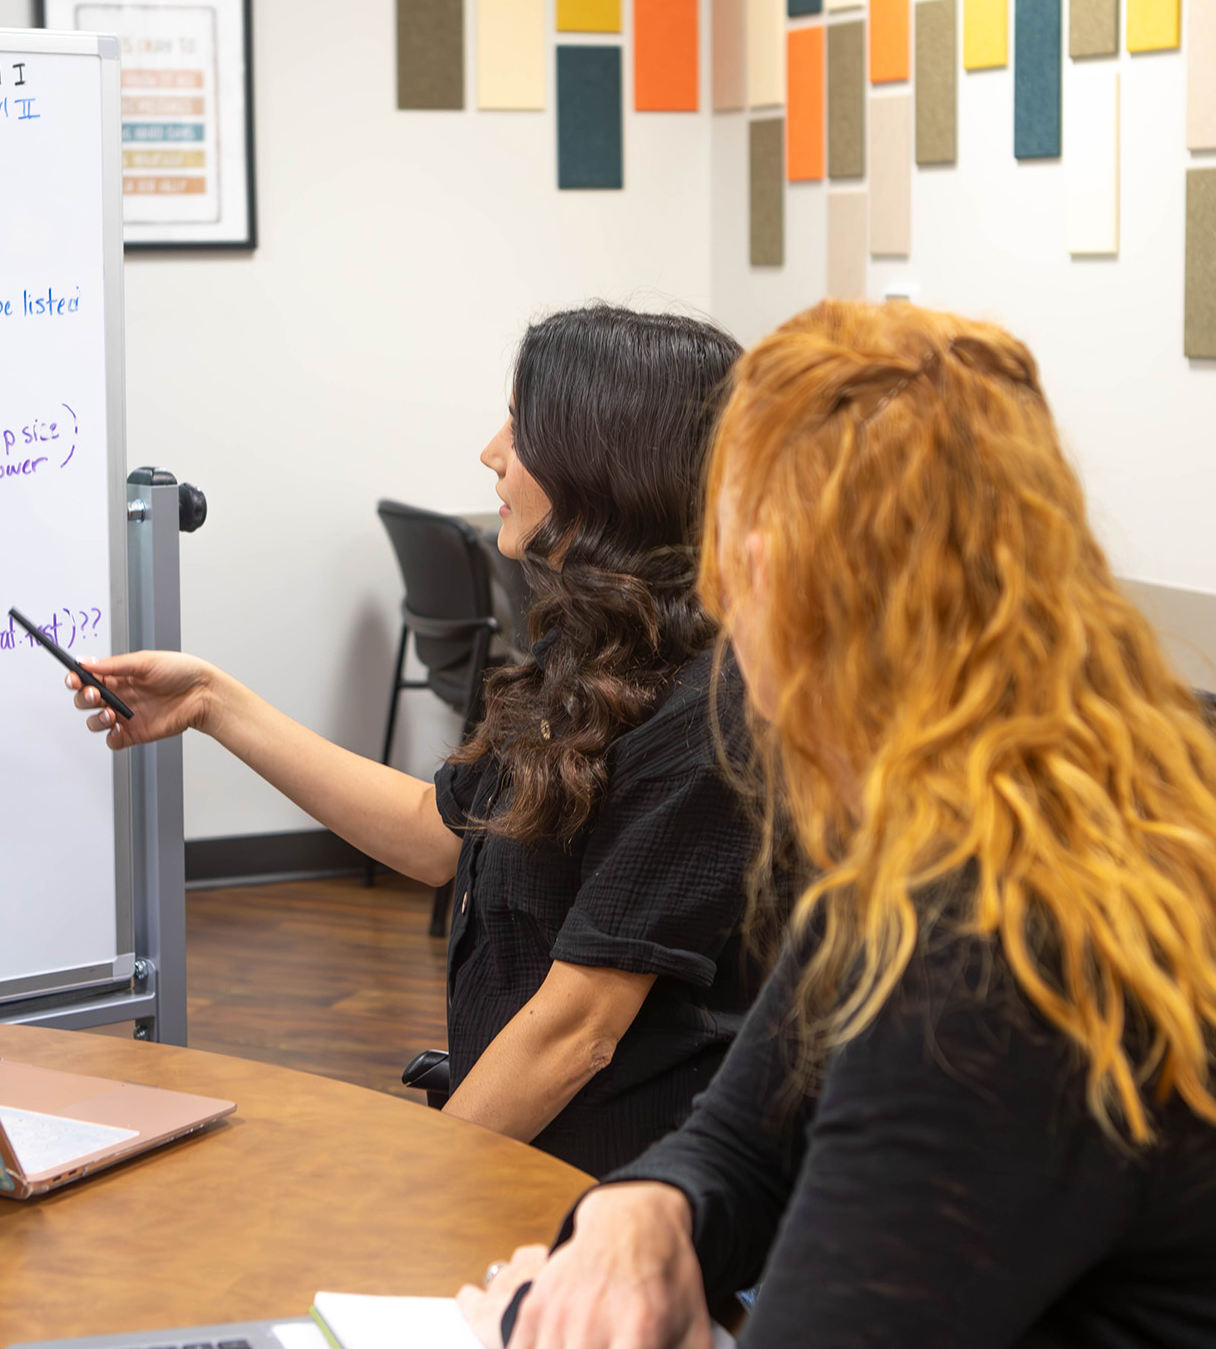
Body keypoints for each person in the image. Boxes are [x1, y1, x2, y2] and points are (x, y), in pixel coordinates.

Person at [463, 302, 1216, 1348]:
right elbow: (741, 1144)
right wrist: (641, 1211)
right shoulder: (1003, 819)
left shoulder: (994, 948)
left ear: (772, 579)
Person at [67, 304, 762, 1176]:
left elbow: (579, 1030)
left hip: (617, 1198)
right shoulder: (594, 645)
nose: (491, 451)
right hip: (524, 1167)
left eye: (522, 427)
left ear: (606, 461)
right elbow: (441, 833)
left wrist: (417, 1188)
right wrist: (212, 700)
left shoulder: (712, 712)